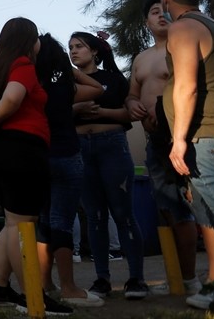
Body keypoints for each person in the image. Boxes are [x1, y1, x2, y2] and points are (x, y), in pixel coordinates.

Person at [0, 17, 71, 316]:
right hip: (20, 148)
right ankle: (34, 295)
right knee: (23, 224)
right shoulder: (22, 64)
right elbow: (14, 96)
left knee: (12, 221)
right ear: (31, 40)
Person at [125, 0, 214, 302]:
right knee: (170, 209)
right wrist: (132, 105)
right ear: (147, 22)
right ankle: (187, 278)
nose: (161, 15)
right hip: (157, 143)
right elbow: (131, 95)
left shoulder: (187, 41)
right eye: (154, 12)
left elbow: (188, 86)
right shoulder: (141, 58)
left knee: (206, 208)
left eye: (164, 9)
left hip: (189, 137)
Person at [160, 0, 214, 310]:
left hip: (206, 137)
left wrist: (179, 139)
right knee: (208, 217)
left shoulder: (184, 27)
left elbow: (185, 86)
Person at [70, 30, 148, 300]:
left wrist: (102, 112)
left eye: (79, 46)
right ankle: (102, 278)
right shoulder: (65, 81)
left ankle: (136, 278)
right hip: (80, 150)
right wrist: (76, 111)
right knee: (95, 215)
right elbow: (55, 114)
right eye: (71, 47)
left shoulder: (114, 79)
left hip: (112, 144)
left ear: (94, 51)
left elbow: (132, 113)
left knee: (123, 213)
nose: (74, 51)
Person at [34, 34, 104, 307]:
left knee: (44, 220)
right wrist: (67, 68)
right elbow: (97, 88)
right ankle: (69, 287)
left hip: (40, 157)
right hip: (67, 154)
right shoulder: (65, 86)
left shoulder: (32, 88)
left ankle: (45, 282)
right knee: (62, 219)